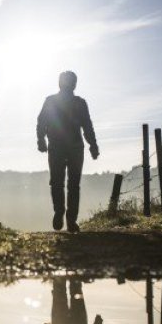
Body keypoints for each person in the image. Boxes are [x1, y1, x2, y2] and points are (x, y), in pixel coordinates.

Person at [36, 71, 99, 232]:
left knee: (57, 182)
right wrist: (93, 145)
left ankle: (60, 213)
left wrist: (41, 140)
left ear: (59, 83)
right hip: (75, 147)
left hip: (57, 147)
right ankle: (70, 220)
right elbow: (87, 126)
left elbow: (41, 122)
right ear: (75, 84)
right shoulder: (80, 103)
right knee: (73, 184)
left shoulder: (51, 101)